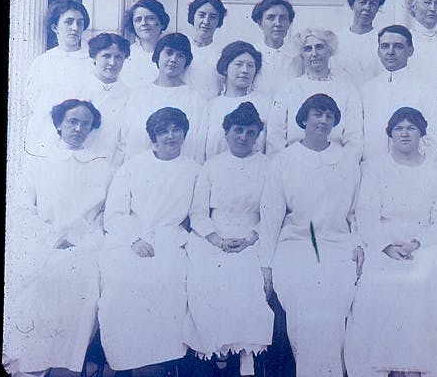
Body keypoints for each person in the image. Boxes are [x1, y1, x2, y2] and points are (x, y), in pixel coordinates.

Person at [345, 107, 437, 377]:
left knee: (423, 283)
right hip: (383, 245)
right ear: (390, 134)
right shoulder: (374, 168)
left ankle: (417, 368)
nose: (405, 133)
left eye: (411, 127)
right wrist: (386, 246)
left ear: (421, 133)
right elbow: (366, 213)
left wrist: (417, 244)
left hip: (424, 245)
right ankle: (387, 367)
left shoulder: (436, 170)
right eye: (399, 128)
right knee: (379, 286)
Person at [4, 99, 112, 377]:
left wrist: (80, 239)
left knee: (84, 281)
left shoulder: (102, 167)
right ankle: (31, 365)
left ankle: (67, 365)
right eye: (72, 122)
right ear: (59, 125)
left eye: (85, 124)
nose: (78, 128)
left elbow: (102, 215)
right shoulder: (38, 162)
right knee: (37, 280)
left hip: (85, 244)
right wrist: (51, 237)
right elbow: (23, 207)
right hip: (42, 241)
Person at [260, 94, 362, 377]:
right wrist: (266, 264)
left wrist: (357, 244)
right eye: (317, 114)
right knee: (306, 304)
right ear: (304, 119)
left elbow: (356, 212)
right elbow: (271, 215)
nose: (323, 120)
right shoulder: (284, 160)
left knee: (333, 303)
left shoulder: (346, 161)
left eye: (329, 115)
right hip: (296, 247)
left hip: (338, 246)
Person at [99, 107, 201, 375]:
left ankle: (159, 365)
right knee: (123, 284)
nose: (170, 136)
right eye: (163, 131)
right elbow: (115, 214)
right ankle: (126, 364)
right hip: (129, 237)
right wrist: (134, 240)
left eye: (176, 129)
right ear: (153, 136)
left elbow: (197, 214)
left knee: (168, 283)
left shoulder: (194, 170)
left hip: (171, 238)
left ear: (185, 133)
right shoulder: (133, 167)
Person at [185, 102, 274, 377]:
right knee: (208, 278)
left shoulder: (268, 166)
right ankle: (218, 354)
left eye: (250, 132)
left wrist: (250, 237)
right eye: (238, 131)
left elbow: (271, 210)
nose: (243, 138)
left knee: (247, 278)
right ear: (226, 132)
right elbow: (198, 211)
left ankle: (245, 357)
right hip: (213, 236)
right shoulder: (211, 166)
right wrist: (215, 238)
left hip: (251, 236)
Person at [25, 32, 132, 163]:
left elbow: (125, 142)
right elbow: (51, 128)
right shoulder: (73, 87)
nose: (112, 62)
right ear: (94, 57)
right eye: (106, 56)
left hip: (106, 164)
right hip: (69, 161)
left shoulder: (129, 95)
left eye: (119, 57)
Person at [267, 28, 363, 160]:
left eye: (319, 47)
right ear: (301, 54)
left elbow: (354, 138)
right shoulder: (287, 89)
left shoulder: (348, 90)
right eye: (307, 49)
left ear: (329, 51)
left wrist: (344, 166)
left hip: (335, 163)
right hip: (295, 162)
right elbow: (275, 136)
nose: (314, 54)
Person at [120, 32, 208, 164]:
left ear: (186, 61)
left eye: (180, 55)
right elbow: (126, 139)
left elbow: (198, 146)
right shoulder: (139, 95)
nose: (173, 59)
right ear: (157, 55)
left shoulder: (195, 99)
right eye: (169, 52)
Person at [361, 25, 437, 163]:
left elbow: (433, 134)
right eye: (385, 46)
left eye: (398, 46)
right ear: (378, 51)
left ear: (410, 51)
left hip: (412, 169)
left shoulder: (425, 89)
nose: (390, 52)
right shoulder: (366, 90)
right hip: (372, 166)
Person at [204, 41, 272, 159]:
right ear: (225, 68)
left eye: (250, 65)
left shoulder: (265, 103)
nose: (245, 70)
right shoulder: (211, 106)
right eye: (238, 64)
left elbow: (271, 146)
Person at [331, 0, 387, 87]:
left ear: (378, 8)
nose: (367, 8)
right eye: (362, 2)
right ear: (352, 5)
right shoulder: (336, 40)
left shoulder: (383, 40)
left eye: (373, 4)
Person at [250, 0, 303, 95]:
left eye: (283, 18)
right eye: (271, 18)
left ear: (289, 23)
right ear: (260, 22)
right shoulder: (251, 54)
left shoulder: (299, 56)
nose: (278, 24)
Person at [182, 0, 228, 100]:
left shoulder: (222, 54)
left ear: (218, 21)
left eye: (212, 17)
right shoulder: (179, 46)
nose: (206, 21)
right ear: (193, 16)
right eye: (201, 15)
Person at [119, 0, 170, 89]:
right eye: (138, 20)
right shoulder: (125, 54)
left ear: (161, 22)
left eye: (150, 18)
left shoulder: (173, 54)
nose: (144, 23)